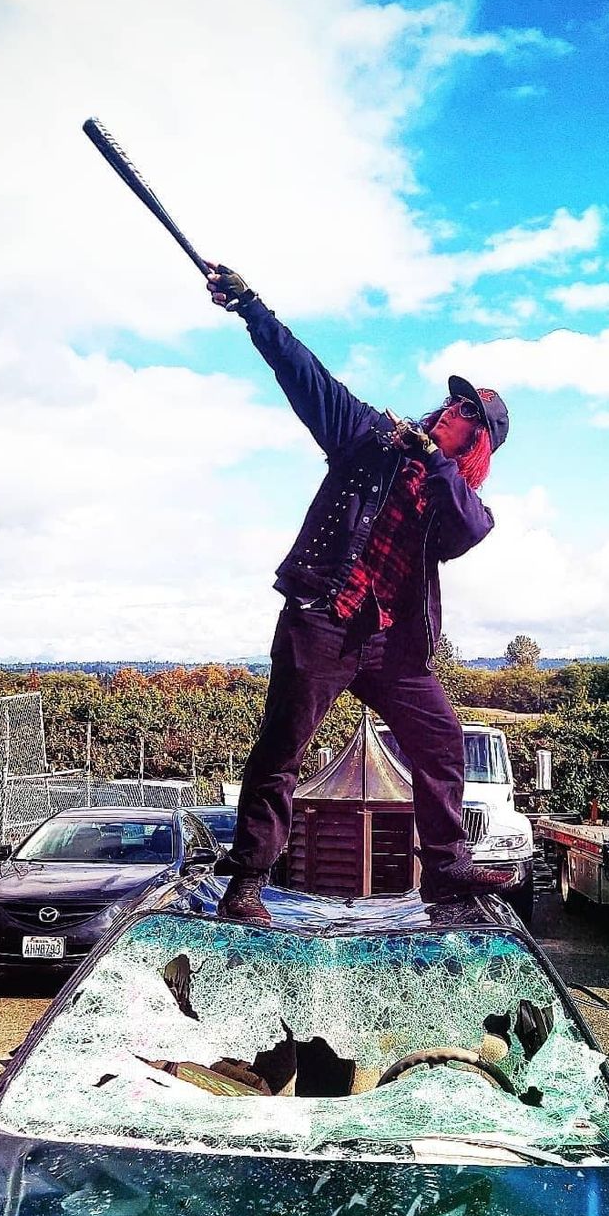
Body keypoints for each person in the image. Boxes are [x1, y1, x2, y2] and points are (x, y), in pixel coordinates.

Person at [205, 261, 523, 925]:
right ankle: (247, 882)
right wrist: (252, 309)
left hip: (390, 644)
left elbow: (468, 529)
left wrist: (430, 458)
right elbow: (308, 378)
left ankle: (445, 870)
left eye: (469, 413)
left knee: (440, 740)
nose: (453, 410)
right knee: (282, 747)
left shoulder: (457, 498)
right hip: (325, 619)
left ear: (479, 442)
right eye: (455, 402)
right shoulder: (368, 440)